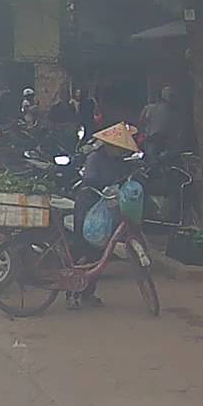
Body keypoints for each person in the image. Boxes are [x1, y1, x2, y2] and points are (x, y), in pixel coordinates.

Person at [70, 122, 138, 309]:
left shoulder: (118, 162)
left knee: (99, 253)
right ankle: (73, 292)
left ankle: (88, 292)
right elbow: (90, 179)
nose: (120, 152)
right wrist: (106, 184)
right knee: (83, 251)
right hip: (88, 206)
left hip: (106, 209)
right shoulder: (94, 158)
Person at [139, 86, 173, 160]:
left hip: (158, 139)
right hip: (154, 139)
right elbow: (142, 123)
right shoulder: (150, 109)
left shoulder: (170, 111)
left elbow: (141, 122)